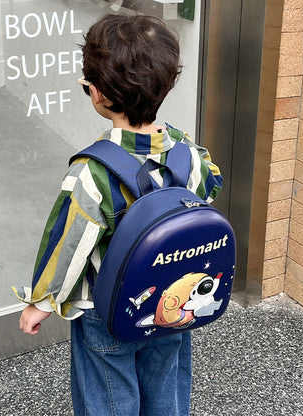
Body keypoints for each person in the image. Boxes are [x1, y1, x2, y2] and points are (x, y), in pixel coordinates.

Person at [14, 13, 222, 415]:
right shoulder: (192, 156)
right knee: (165, 388)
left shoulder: (93, 173)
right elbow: (205, 202)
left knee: (108, 396)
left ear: (97, 95)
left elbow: (70, 244)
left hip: (106, 313)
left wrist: (42, 301)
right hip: (171, 303)